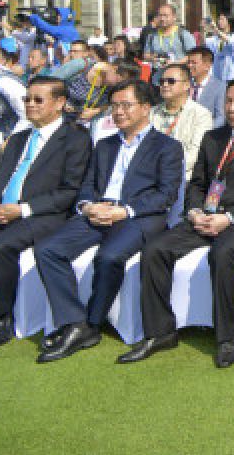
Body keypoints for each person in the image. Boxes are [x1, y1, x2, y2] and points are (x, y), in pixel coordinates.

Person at [120, 76, 234, 367]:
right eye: (228, 101)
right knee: (155, 250)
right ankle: (159, 331)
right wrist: (194, 211)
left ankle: (226, 337)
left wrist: (229, 218)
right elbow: (197, 182)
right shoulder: (214, 138)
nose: (232, 108)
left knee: (223, 252)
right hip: (207, 215)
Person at [33, 80, 184, 362]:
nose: (118, 112)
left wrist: (124, 211)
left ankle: (91, 323)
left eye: (126, 105)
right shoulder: (103, 145)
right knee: (47, 250)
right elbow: (87, 185)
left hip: (137, 217)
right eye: (114, 106)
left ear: (145, 108)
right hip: (97, 213)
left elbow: (165, 195)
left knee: (109, 257)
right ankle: (74, 322)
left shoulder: (167, 147)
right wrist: (89, 206)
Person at [0, 78, 91, 347]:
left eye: (37, 100)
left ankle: (2, 318)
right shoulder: (20, 138)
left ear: (59, 104)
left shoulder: (76, 139)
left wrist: (21, 209)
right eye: (27, 99)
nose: (30, 105)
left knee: (1, 247)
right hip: (1, 209)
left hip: (45, 216)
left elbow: (70, 191)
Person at [150, 62, 213, 172]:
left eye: (171, 81)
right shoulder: (152, 113)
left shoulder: (200, 115)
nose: (165, 85)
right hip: (150, 174)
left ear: (187, 85)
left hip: (182, 178)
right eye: (162, 81)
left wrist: (163, 169)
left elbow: (194, 156)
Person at [186, 46, 226, 126]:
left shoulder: (220, 87)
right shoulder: (184, 84)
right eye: (189, 62)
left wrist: (204, 131)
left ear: (207, 66)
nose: (189, 65)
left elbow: (221, 117)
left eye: (194, 63)